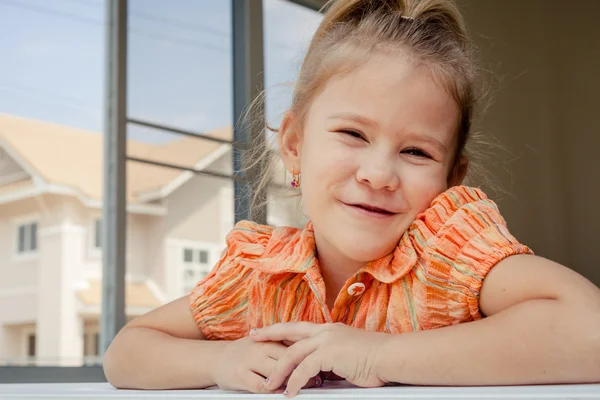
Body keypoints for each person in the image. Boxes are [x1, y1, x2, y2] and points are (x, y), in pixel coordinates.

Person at [102, 0, 600, 397]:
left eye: (416, 151)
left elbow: (590, 332)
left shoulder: (450, 257)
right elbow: (126, 353)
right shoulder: (261, 275)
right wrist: (218, 361)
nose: (379, 173)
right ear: (294, 146)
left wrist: (376, 356)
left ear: (451, 178)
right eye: (353, 134)